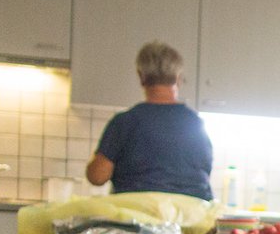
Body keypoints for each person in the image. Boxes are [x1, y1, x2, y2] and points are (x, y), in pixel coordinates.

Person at [84, 41, 214, 200]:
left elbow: (97, 177)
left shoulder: (125, 122)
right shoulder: (196, 124)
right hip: (192, 219)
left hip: (137, 218)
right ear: (178, 79)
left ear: (141, 76)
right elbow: (204, 173)